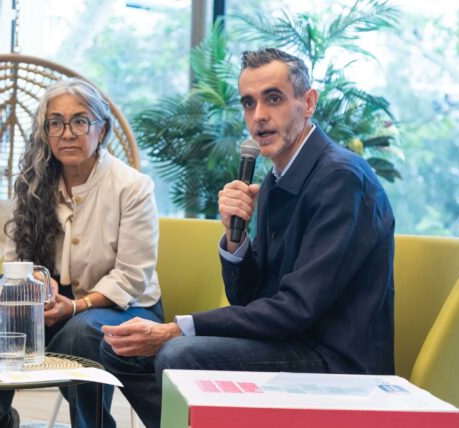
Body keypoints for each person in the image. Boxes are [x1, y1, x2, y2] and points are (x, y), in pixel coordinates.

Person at [100, 48, 396, 428]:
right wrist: (235, 240)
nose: (258, 116)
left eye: (273, 99)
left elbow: (296, 308)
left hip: (336, 360)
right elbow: (250, 300)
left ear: (308, 102)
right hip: (287, 342)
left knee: (179, 355)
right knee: (121, 351)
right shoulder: (274, 179)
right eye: (248, 103)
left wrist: (176, 328)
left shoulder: (340, 178)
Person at [0, 78, 163, 428]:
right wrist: (35, 283)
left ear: (101, 129)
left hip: (127, 307)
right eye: (56, 123)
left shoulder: (133, 187)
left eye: (79, 121)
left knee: (80, 331)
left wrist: (75, 306)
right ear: (45, 133)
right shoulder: (31, 183)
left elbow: (132, 276)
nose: (68, 133)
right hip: (52, 302)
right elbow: (15, 261)